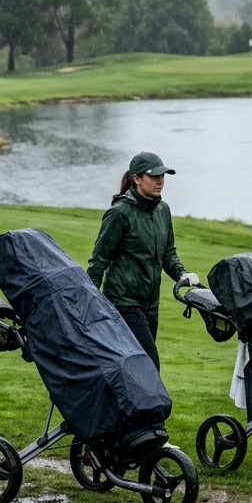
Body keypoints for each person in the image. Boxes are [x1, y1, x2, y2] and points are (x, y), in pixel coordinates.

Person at [87, 152, 198, 370]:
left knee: (131, 368)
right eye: (154, 177)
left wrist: (182, 274)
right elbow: (99, 260)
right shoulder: (120, 213)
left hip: (150, 304)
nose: (160, 182)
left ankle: (119, 404)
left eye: (163, 177)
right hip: (123, 302)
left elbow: (168, 253)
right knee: (148, 365)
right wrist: (88, 298)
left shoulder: (163, 210)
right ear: (137, 179)